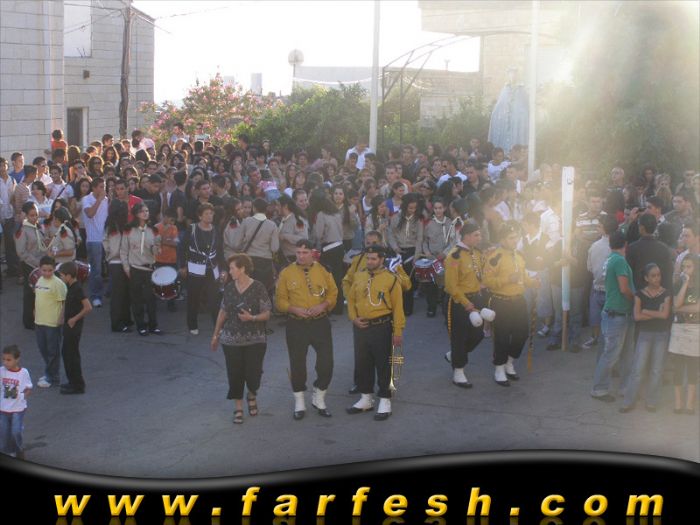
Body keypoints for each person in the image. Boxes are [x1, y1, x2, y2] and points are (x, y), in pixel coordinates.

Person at [276, 239, 338, 419]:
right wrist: (293, 309)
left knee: (326, 363)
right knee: (297, 364)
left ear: (313, 253)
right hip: (296, 324)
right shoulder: (286, 273)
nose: (301, 256)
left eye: (305, 253)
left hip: (320, 323)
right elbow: (280, 300)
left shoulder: (323, 270)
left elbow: (333, 293)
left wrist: (323, 305)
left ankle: (319, 396)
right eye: (298, 253)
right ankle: (299, 402)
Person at [346, 245, 405, 421]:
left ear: (381, 259)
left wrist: (398, 332)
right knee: (362, 362)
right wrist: (353, 318)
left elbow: (398, 308)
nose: (370, 262)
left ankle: (385, 400)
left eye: (373, 259)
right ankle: (366, 398)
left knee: (383, 364)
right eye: (368, 258)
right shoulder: (359, 276)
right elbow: (351, 299)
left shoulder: (391, 279)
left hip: (382, 327)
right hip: (361, 327)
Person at [211, 254, 272, 424]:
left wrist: (252, 318)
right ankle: (238, 407)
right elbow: (223, 311)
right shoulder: (229, 288)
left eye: (232, 268)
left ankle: (251, 394)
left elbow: (267, 313)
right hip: (231, 339)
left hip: (255, 339)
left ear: (243, 268)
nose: (229, 272)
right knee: (235, 373)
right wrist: (215, 334)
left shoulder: (258, 287)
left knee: (254, 374)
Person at [483, 222, 539, 386]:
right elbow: (487, 281)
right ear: (502, 239)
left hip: (519, 300)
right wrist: (508, 279)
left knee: (522, 333)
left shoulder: (519, 255)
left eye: (516, 237)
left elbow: (523, 277)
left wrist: (533, 282)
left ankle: (509, 362)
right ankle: (499, 368)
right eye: (511, 238)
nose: (515, 240)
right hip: (501, 302)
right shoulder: (494, 257)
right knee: (502, 336)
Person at [590, 231, 635, 403]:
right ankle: (599, 389)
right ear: (625, 245)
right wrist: (636, 299)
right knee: (612, 354)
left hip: (617, 312)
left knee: (622, 354)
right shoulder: (620, 261)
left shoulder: (611, 259)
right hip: (618, 313)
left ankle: (624, 387)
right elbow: (624, 288)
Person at [619, 263, 671, 413]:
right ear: (646, 278)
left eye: (658, 275)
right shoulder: (639, 294)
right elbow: (637, 316)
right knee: (637, 369)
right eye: (653, 276)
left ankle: (652, 401)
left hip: (661, 334)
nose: (657, 278)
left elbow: (665, 315)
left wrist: (646, 311)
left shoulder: (666, 293)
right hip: (645, 335)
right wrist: (656, 314)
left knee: (657, 370)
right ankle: (629, 401)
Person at [444, 221, 487, 388]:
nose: (480, 238)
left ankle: (455, 355)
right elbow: (451, 285)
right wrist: (465, 302)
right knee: (460, 337)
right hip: (459, 301)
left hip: (476, 298)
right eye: (476, 235)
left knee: (478, 334)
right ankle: (458, 372)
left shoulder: (476, 252)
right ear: (467, 236)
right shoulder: (454, 256)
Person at [181, 203, 223, 335]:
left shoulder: (216, 229)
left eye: (211, 213)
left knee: (215, 299)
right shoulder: (192, 229)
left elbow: (220, 251)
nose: (210, 216)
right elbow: (182, 248)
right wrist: (182, 266)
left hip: (212, 269)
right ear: (200, 216)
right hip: (195, 268)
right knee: (193, 298)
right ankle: (192, 325)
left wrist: (223, 269)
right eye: (206, 213)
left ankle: (218, 326)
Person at [120, 202, 162, 336]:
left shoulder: (153, 230)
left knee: (151, 299)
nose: (145, 213)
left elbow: (157, 250)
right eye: (142, 211)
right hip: (135, 268)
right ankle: (141, 326)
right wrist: (126, 268)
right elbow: (123, 251)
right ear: (136, 214)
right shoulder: (128, 230)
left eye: (147, 211)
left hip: (149, 268)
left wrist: (156, 249)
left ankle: (153, 325)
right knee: (137, 299)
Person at [669, 254, 699, 415]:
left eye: (689, 267)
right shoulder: (678, 283)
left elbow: (698, 308)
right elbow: (676, 303)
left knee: (693, 366)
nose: (685, 270)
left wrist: (679, 309)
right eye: (683, 267)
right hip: (679, 328)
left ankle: (690, 403)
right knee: (678, 366)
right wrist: (685, 283)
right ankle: (678, 402)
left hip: (695, 329)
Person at [583, 215, 618, 349]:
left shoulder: (594, 246)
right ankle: (608, 340)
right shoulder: (619, 245)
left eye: (598, 226)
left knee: (595, 316)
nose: (597, 228)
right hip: (614, 287)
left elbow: (589, 267)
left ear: (603, 228)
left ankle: (595, 338)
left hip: (597, 286)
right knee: (611, 317)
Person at [57, 262, 92, 395]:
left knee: (72, 355)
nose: (61, 278)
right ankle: (72, 381)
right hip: (68, 325)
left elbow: (88, 307)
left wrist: (74, 319)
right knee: (66, 354)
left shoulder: (77, 288)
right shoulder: (69, 286)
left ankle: (78, 385)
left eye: (62, 275)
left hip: (73, 327)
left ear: (69, 276)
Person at [387, 193, 424, 316]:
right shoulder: (395, 218)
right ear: (404, 206)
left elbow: (419, 239)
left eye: (414, 208)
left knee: (408, 281)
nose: (412, 210)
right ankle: (397, 306)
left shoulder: (418, 220)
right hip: (397, 251)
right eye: (410, 208)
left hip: (411, 252)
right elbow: (390, 234)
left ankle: (408, 307)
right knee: (396, 281)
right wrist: (395, 248)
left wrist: (416, 256)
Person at [309, 189, 345, 315]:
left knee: (328, 279)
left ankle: (331, 305)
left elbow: (319, 234)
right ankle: (339, 306)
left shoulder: (321, 214)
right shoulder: (336, 213)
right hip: (339, 246)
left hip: (328, 248)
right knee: (338, 278)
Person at [33, 256, 67, 388]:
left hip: (52, 323)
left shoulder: (58, 284)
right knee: (43, 348)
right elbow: (37, 297)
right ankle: (50, 372)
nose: (47, 273)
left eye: (50, 270)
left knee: (53, 351)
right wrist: (34, 310)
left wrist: (61, 318)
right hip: (39, 321)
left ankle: (53, 377)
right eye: (44, 270)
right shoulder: (39, 280)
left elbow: (63, 302)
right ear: (39, 269)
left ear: (54, 269)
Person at [236, 198, 279, 297]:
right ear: (266, 209)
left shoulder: (246, 221)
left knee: (247, 289)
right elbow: (274, 248)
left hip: (248, 260)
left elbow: (237, 243)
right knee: (263, 290)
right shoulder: (272, 225)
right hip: (265, 261)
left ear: (254, 208)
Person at [15, 201, 48, 329]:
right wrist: (36, 263)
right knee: (30, 294)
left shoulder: (38, 227)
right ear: (26, 215)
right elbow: (21, 252)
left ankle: (39, 317)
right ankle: (28, 320)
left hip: (41, 264)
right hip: (29, 265)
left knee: (40, 293)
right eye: (32, 215)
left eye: (36, 215)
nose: (34, 218)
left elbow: (41, 244)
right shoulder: (23, 230)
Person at [103, 199, 132, 333]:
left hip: (123, 262)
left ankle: (126, 319)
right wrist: (114, 254)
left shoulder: (120, 226)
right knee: (118, 295)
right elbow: (108, 245)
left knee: (125, 294)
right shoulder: (113, 227)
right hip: (117, 263)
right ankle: (117, 323)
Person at [0, 345, 32, 459]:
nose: (5, 362)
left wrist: (22, 397)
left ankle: (19, 449)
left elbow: (29, 388)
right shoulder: (1, 371)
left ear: (17, 359)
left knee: (15, 432)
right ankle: (7, 452)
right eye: (3, 359)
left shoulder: (23, 373)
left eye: (9, 360)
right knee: (4, 433)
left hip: (17, 409)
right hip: (3, 409)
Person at [81, 178, 109, 307]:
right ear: (94, 188)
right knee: (96, 270)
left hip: (106, 240)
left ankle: (107, 292)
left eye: (104, 186)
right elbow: (90, 214)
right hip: (93, 240)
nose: (103, 189)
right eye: (101, 187)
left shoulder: (107, 200)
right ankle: (95, 296)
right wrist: (99, 200)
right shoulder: (86, 199)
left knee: (109, 268)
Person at [421, 198, 451, 317]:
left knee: (445, 284)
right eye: (435, 208)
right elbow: (424, 241)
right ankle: (431, 307)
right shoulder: (429, 224)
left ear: (444, 208)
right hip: (432, 257)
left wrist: (445, 253)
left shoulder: (450, 223)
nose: (438, 210)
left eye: (440, 208)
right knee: (431, 284)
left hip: (445, 257)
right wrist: (427, 252)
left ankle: (445, 308)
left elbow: (453, 241)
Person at [155, 208, 180, 312]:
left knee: (171, 282)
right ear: (165, 217)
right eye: (171, 219)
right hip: (158, 259)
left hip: (171, 259)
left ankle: (171, 304)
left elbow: (176, 243)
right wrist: (168, 241)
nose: (172, 222)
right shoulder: (156, 227)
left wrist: (163, 241)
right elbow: (154, 242)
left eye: (173, 220)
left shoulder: (174, 228)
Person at [277, 195, 309, 265]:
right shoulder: (284, 219)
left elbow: (304, 239)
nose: (276, 208)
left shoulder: (297, 219)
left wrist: (285, 236)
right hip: (286, 258)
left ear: (285, 206)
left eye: (278, 205)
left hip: (295, 258)